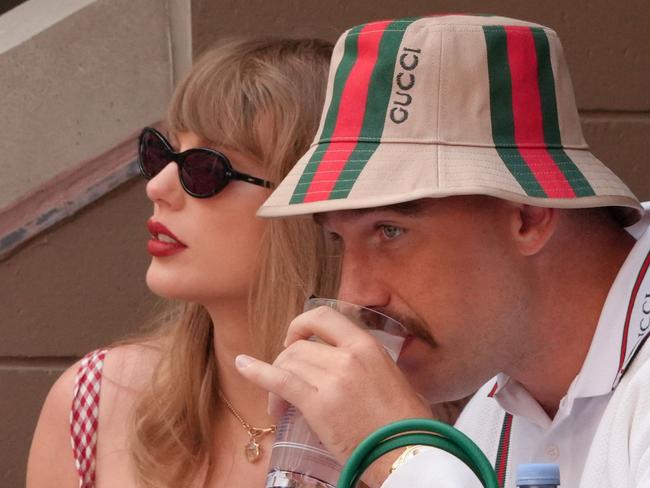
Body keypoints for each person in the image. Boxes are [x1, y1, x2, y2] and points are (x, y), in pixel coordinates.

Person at [236, 15, 650, 488]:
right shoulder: (494, 410)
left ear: (529, 215)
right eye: (338, 239)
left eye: (389, 231)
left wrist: (400, 451)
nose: (357, 294)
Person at [26, 37, 340, 488]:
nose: (157, 187)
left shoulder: (413, 440)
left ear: (313, 207)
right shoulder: (94, 403)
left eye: (205, 167)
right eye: (162, 154)